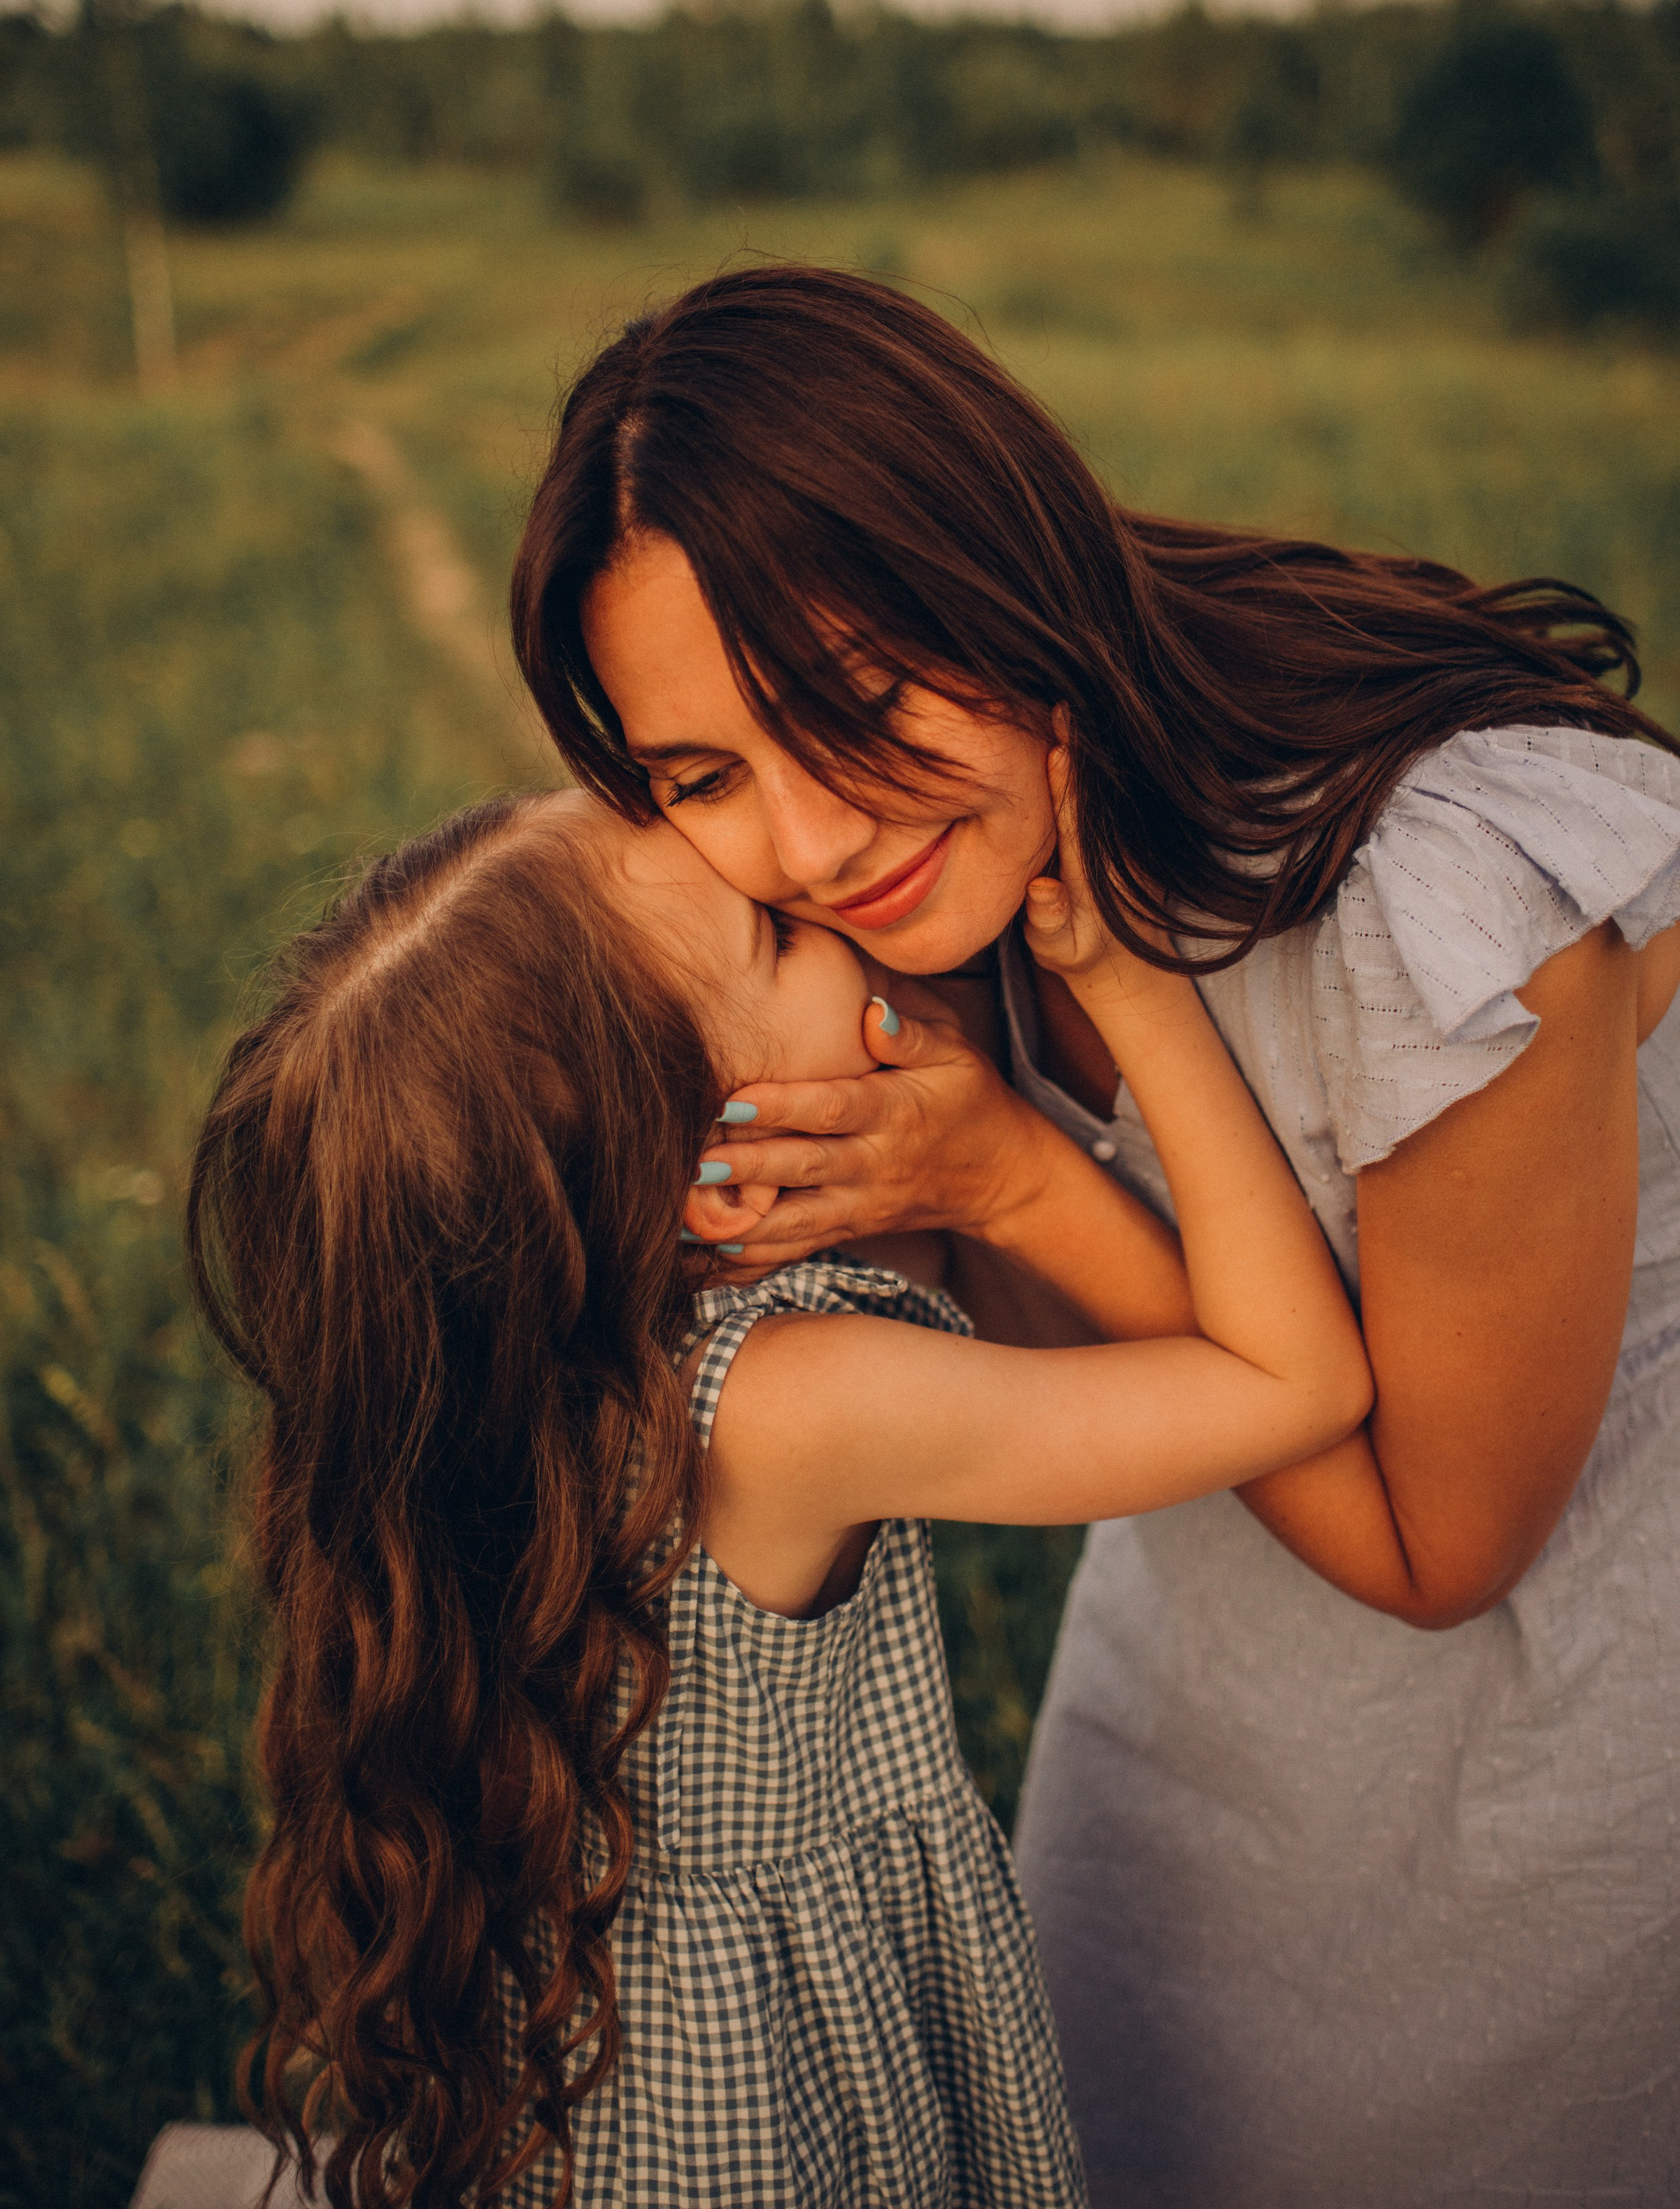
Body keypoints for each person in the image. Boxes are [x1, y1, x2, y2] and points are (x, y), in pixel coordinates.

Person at [510, 262, 1680, 2208]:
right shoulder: (922, 904)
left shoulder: (1443, 902)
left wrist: (1011, 1181)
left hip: (1547, 1745)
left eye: (857, 703)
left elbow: (1437, 1546)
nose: (812, 846)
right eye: (708, 775)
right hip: (1197, 1672)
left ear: (1003, 573)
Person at [187, 783, 1369, 2209]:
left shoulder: (545, 1381)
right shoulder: (791, 1404)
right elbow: (1292, 1385)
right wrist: (1115, 996)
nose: (813, 897)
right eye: (772, 934)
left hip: (594, 2029)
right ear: (725, 1181)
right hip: (746, 2088)